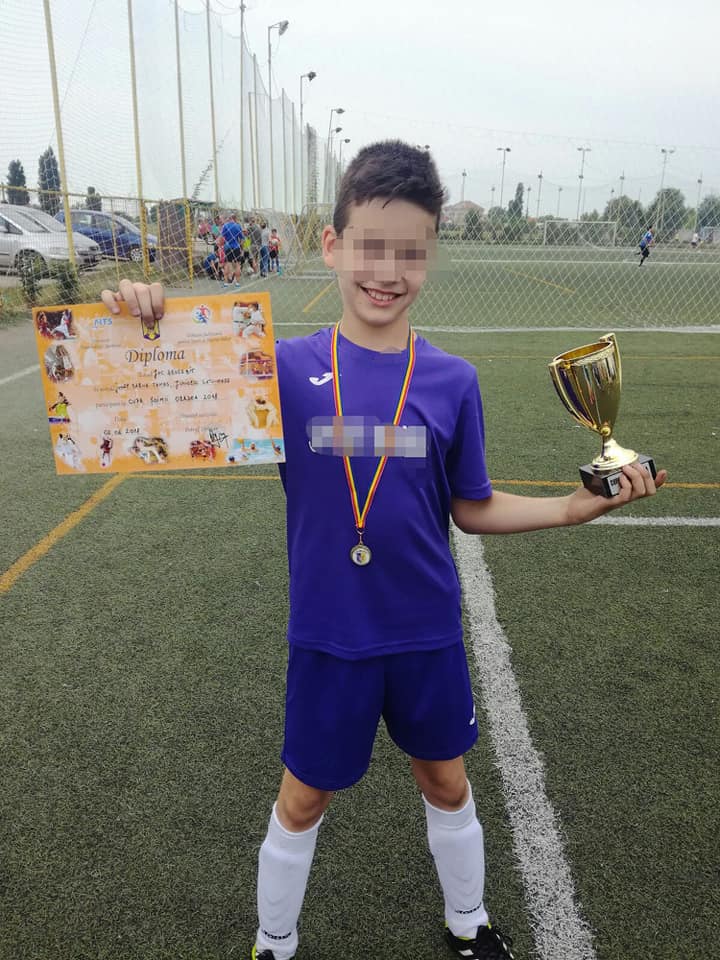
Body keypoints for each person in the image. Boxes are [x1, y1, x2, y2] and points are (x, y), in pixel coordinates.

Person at [100, 140, 666, 960]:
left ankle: (469, 924)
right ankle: (274, 941)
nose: (387, 272)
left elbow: (471, 507)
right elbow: (159, 388)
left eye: (410, 252)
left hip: (424, 630)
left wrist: (571, 508)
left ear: (429, 256)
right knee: (303, 798)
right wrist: (141, 315)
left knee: (447, 780)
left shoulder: (452, 381)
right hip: (331, 635)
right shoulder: (277, 371)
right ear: (332, 246)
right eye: (370, 247)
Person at [221, 213, 245, 286]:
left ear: (229, 218)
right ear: (235, 219)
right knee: (238, 265)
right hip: (236, 247)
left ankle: (226, 282)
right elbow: (242, 239)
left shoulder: (225, 226)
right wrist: (242, 248)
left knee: (228, 264)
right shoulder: (238, 226)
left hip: (228, 247)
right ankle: (237, 282)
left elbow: (222, 237)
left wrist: (222, 246)